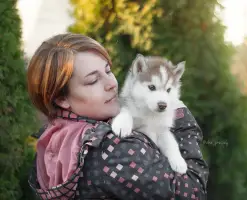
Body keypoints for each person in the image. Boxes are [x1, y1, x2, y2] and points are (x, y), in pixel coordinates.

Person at [27, 33, 209, 200]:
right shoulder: (114, 149)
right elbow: (192, 192)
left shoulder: (58, 136)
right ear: (62, 99)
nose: (111, 84)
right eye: (93, 80)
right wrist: (180, 115)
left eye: (107, 71)